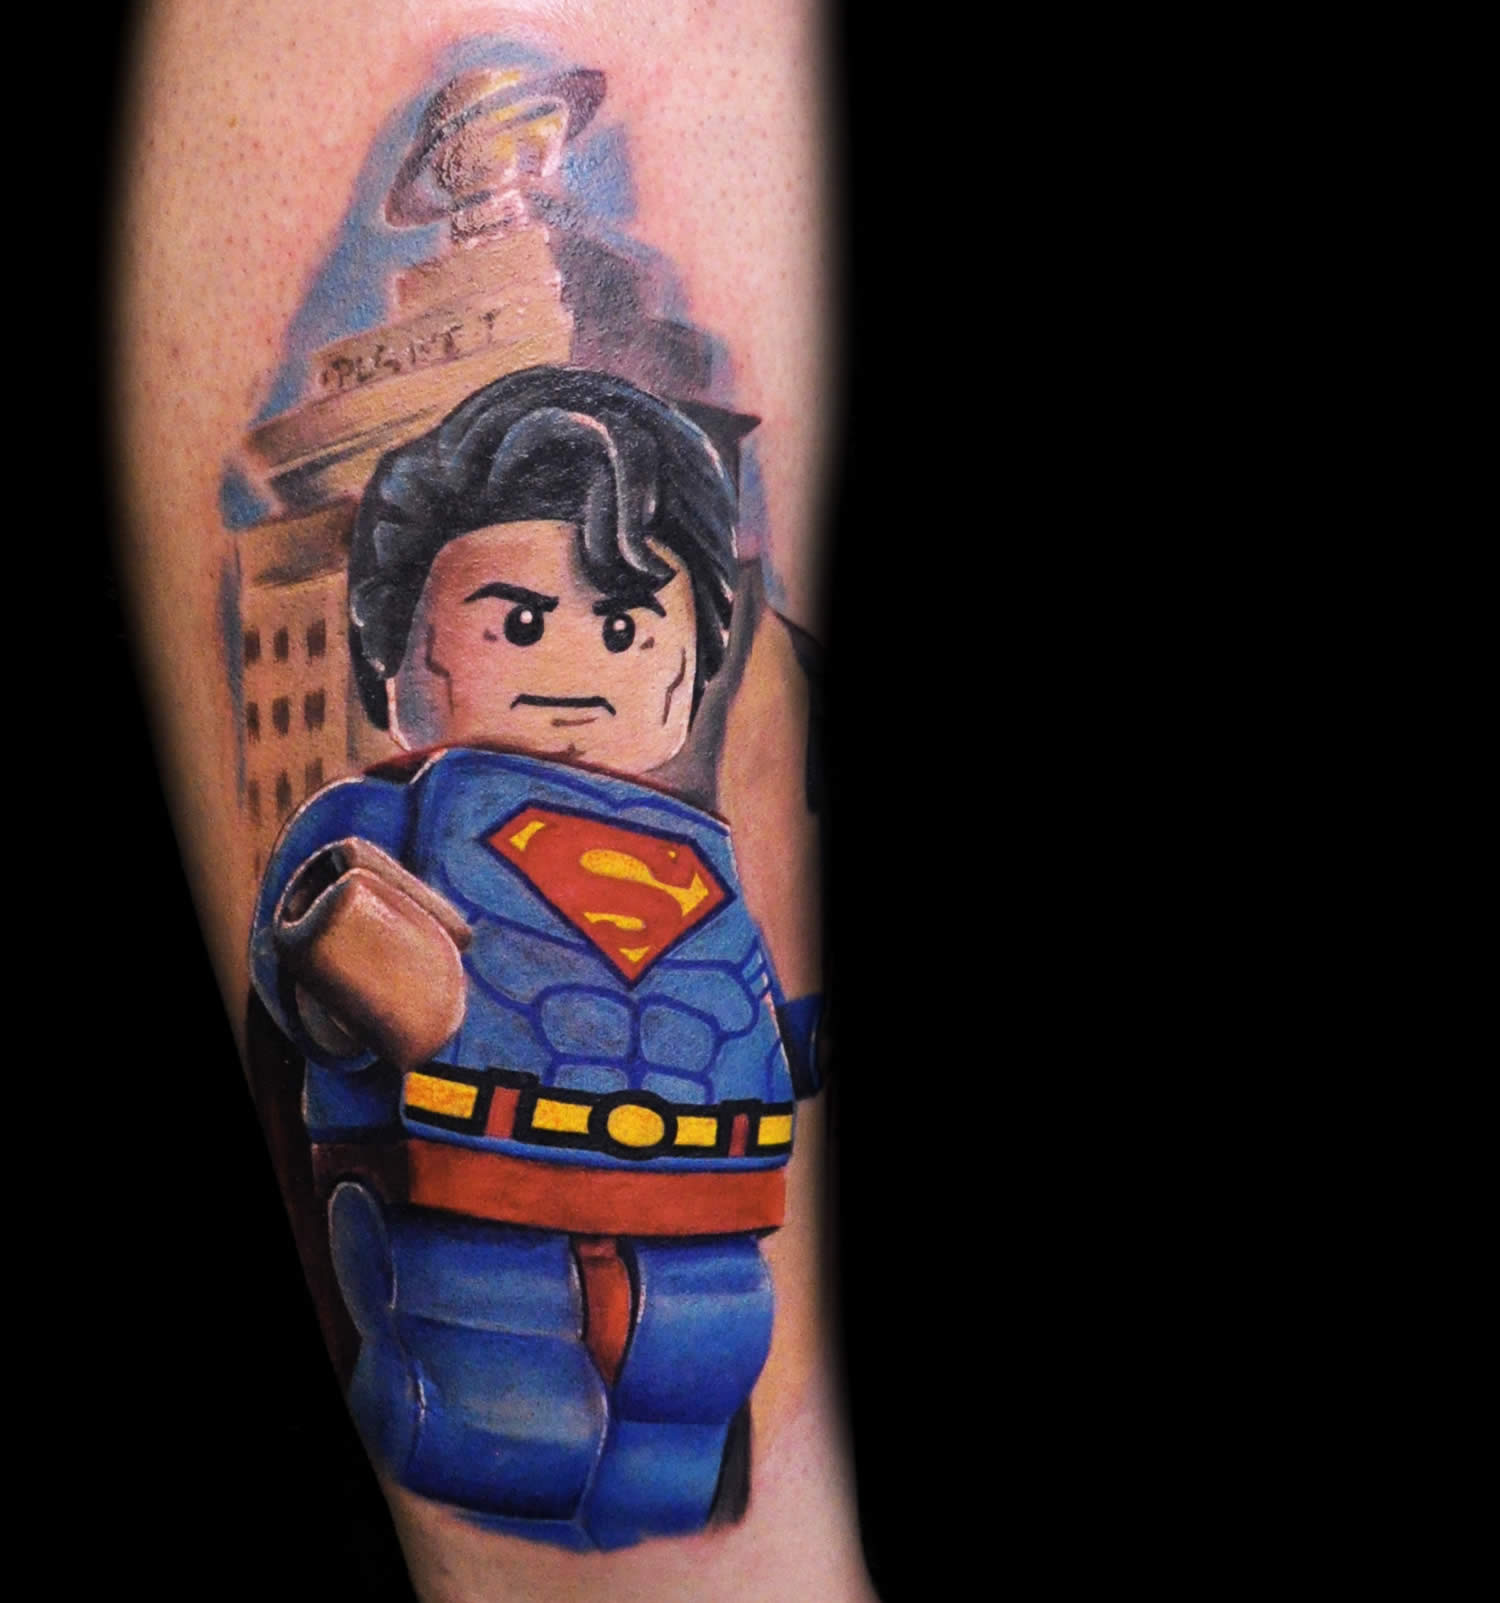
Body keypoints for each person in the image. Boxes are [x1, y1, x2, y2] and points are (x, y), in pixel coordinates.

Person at [249, 366, 819, 1552]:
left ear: (688, 666)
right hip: (471, 1194)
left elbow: (758, 1018)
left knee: (676, 1438)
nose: (576, 667)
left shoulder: (700, 859)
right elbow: (307, 954)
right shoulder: (402, 819)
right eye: (517, 622)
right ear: (405, 660)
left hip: (705, 1224)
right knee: (497, 1428)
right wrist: (346, 971)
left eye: (623, 626)